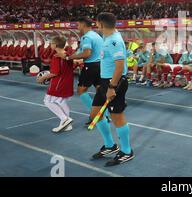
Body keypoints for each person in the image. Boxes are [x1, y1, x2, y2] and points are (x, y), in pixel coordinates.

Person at [90, 12, 133, 166]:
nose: (96, 25)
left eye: (97, 23)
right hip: (105, 81)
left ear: (101, 24)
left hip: (114, 83)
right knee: (95, 113)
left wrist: (112, 87)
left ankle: (127, 151)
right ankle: (110, 145)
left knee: (117, 117)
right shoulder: (108, 36)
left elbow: (120, 66)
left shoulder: (113, 40)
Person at [55, 17, 104, 126]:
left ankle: (95, 115)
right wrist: (76, 57)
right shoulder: (97, 35)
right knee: (99, 92)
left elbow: (87, 53)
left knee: (81, 90)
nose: (77, 27)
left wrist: (69, 58)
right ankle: (102, 116)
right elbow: (85, 52)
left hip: (91, 66)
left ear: (83, 24)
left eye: (78, 24)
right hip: (100, 65)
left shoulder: (86, 37)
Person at [37, 36, 74, 133]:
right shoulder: (68, 54)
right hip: (68, 82)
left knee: (47, 101)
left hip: (58, 83)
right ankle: (68, 125)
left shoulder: (56, 56)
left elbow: (55, 72)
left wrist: (43, 77)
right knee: (62, 102)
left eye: (51, 43)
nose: (50, 45)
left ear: (55, 45)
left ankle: (64, 119)